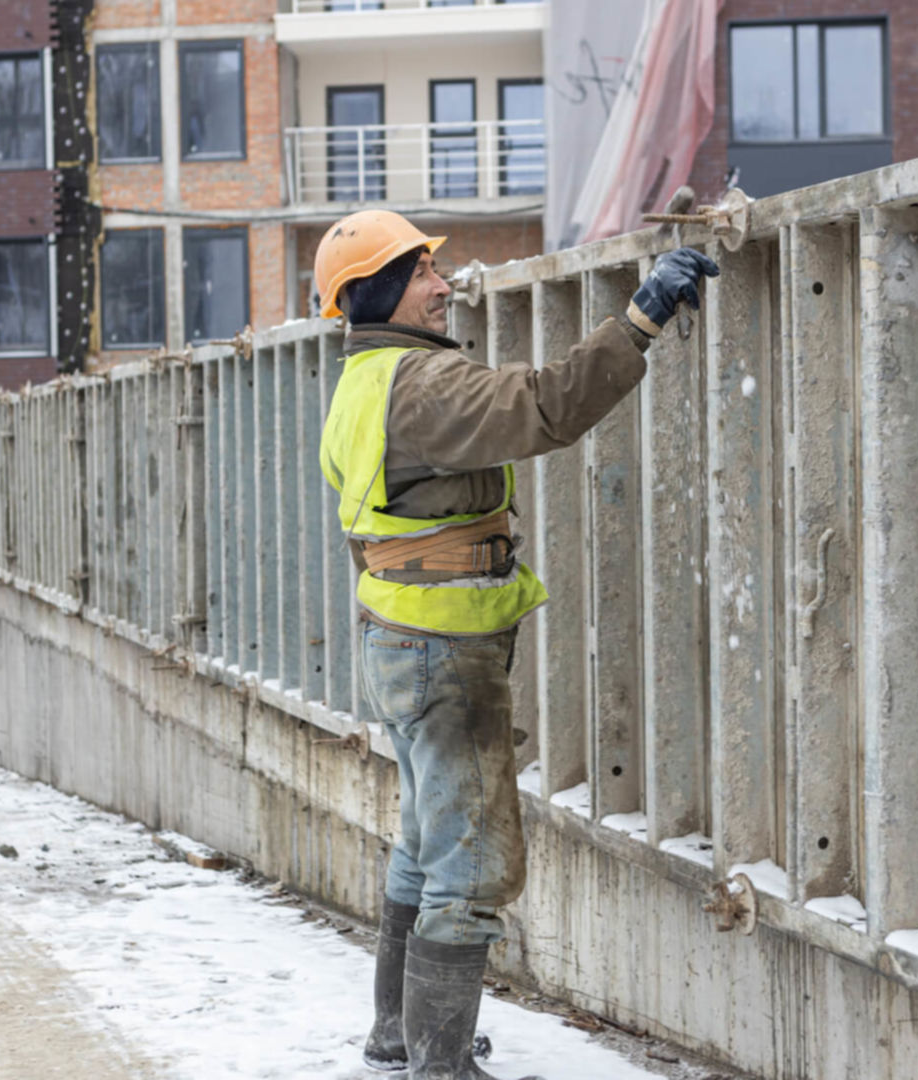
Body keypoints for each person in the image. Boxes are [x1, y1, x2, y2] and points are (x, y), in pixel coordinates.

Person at [315, 209, 716, 1080]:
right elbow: (544, 407)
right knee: (475, 863)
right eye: (421, 271)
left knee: (424, 843)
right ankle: (440, 1066)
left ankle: (399, 1034)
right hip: (441, 648)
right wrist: (640, 317)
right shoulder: (416, 386)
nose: (441, 282)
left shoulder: (359, 382)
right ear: (378, 291)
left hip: (399, 634)